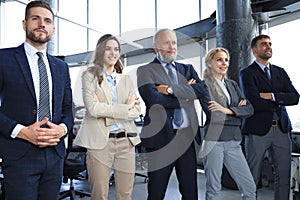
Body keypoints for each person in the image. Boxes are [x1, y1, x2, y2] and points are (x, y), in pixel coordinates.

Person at [0, 1, 74, 199]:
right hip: (19, 155)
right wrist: (22, 132)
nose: (42, 24)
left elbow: (68, 109)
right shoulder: (4, 59)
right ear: (24, 24)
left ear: (53, 29)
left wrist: (63, 129)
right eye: (36, 19)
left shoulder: (61, 67)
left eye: (47, 21)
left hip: (55, 156)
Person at [137, 28, 207, 200]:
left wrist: (169, 90)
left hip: (186, 139)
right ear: (156, 47)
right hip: (161, 140)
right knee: (156, 193)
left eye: (174, 42)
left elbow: (202, 90)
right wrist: (186, 94)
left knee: (190, 193)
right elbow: (154, 100)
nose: (172, 47)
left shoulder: (187, 69)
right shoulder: (145, 70)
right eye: (166, 43)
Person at [73, 34, 141, 200]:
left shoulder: (125, 79)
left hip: (127, 141)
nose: (113, 53)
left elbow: (137, 110)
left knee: (125, 195)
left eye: (116, 49)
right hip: (99, 144)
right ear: (100, 51)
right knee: (99, 195)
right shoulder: (89, 76)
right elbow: (93, 109)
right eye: (108, 48)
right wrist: (125, 108)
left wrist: (107, 111)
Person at [240, 34, 299, 200]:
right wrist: (280, 98)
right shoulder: (247, 73)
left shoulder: (280, 72)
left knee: (284, 176)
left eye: (270, 44)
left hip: (281, 129)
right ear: (254, 50)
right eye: (264, 44)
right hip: (257, 130)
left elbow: (295, 97)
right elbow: (254, 102)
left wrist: (272, 96)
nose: (268, 47)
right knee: (251, 176)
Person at [199, 47, 256, 200]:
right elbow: (215, 115)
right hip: (213, 142)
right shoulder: (204, 86)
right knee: (214, 189)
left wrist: (227, 111)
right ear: (210, 63)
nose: (224, 63)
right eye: (219, 60)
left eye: (226, 60)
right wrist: (237, 111)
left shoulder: (232, 85)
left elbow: (250, 109)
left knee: (249, 188)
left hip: (234, 141)